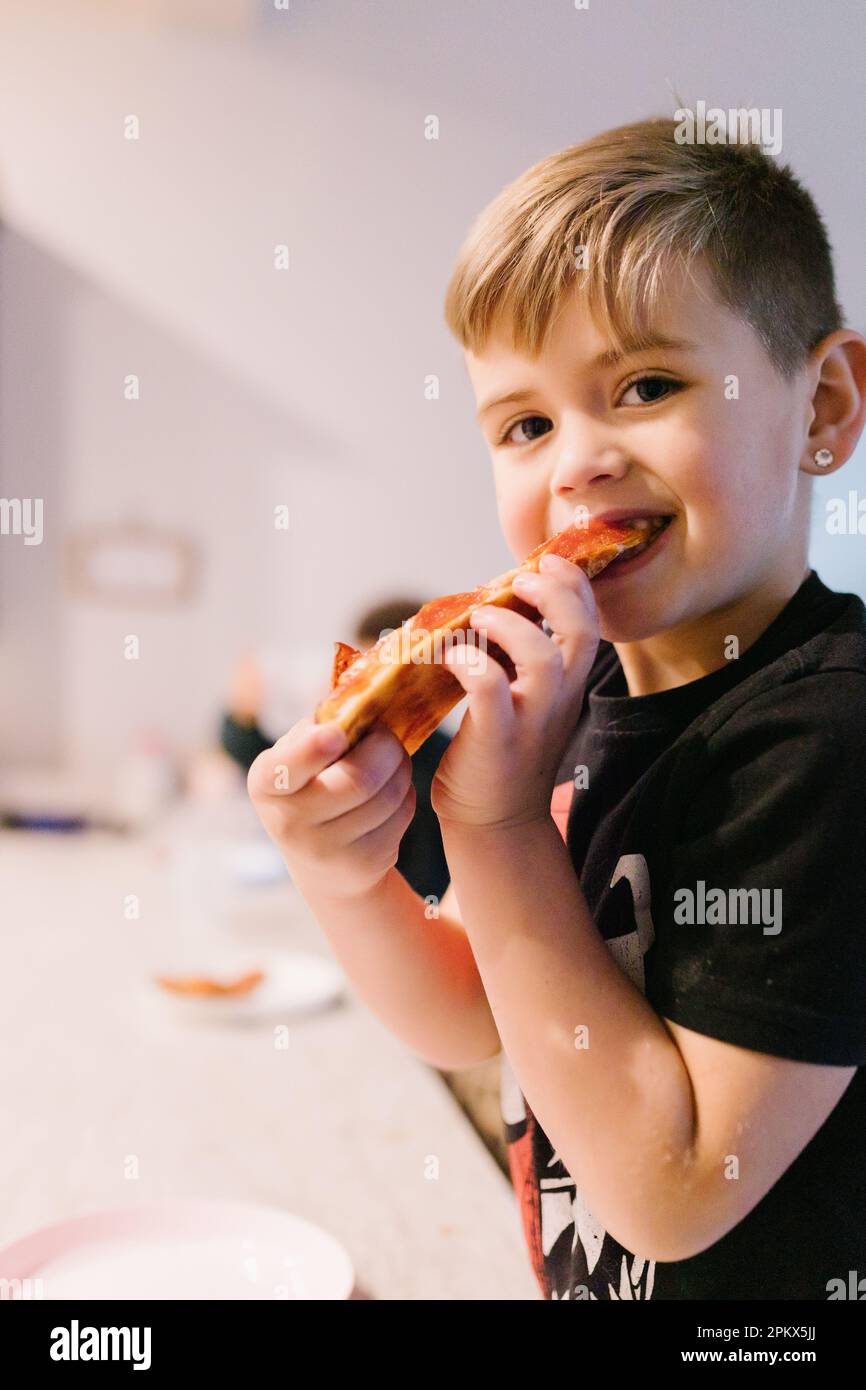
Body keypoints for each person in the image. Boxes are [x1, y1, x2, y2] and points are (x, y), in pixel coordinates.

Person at [247, 116, 866, 1300]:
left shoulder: (821, 734)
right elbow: (484, 1019)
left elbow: (675, 1186)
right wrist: (345, 878)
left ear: (823, 407)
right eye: (523, 423)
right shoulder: (576, 698)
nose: (574, 460)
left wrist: (494, 827)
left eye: (644, 384)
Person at [220, 600, 450, 902]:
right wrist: (244, 716)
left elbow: (430, 877)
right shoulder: (353, 739)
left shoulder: (443, 761)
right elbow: (268, 765)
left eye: (377, 672)